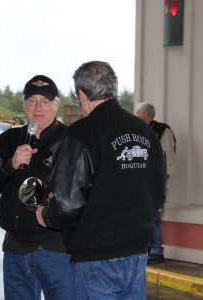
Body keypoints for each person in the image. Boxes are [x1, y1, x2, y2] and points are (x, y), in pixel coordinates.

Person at [36, 61, 165, 299]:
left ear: (82, 95)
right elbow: (158, 193)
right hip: (136, 254)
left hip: (95, 258)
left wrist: (45, 214)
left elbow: (66, 205)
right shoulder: (146, 132)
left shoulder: (81, 133)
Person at [0, 75, 73, 300]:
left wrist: (45, 202)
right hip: (14, 250)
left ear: (56, 105)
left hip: (56, 249)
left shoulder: (71, 140)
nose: (38, 107)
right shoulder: (8, 139)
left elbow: (82, 193)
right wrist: (9, 165)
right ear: (24, 104)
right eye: (32, 101)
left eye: (45, 101)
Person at [135, 101, 176, 264]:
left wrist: (164, 178)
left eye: (137, 113)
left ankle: (157, 250)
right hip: (143, 179)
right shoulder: (139, 130)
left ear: (144, 115)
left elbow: (168, 157)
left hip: (157, 179)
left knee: (154, 215)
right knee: (145, 214)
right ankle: (147, 248)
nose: (135, 116)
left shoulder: (162, 130)